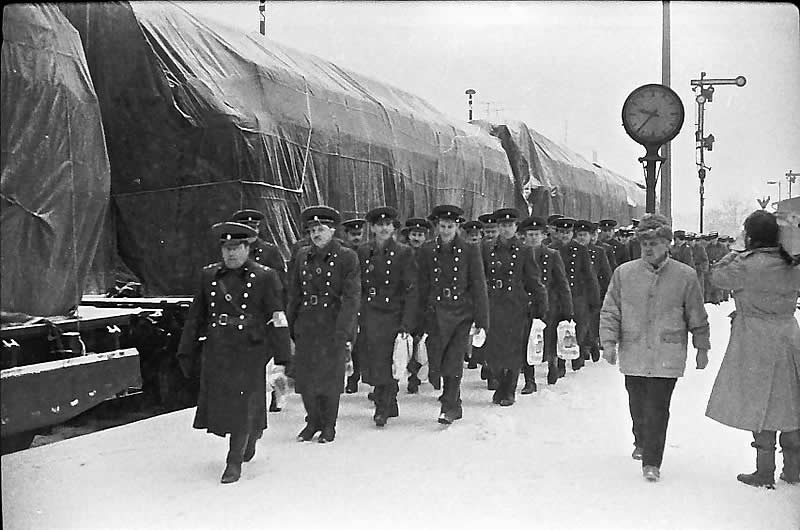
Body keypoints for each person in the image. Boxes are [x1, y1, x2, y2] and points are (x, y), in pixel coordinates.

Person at [177, 221, 291, 484]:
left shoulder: (265, 276)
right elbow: (196, 315)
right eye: (226, 247)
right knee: (226, 403)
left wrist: (283, 356)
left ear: (247, 248)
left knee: (242, 403)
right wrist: (185, 349)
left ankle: (233, 460)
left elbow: (277, 317)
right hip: (218, 348)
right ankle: (251, 433)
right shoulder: (209, 276)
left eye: (236, 247)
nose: (231, 253)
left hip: (251, 349)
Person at [600, 213, 710, 483]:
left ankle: (652, 460)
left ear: (667, 244)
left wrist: (702, 346)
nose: (649, 248)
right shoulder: (624, 274)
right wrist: (609, 343)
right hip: (635, 348)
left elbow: (696, 313)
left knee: (659, 406)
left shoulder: (685, 276)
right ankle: (641, 438)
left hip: (667, 351)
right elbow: (611, 310)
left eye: (655, 243)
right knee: (637, 402)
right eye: (644, 243)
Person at [705, 210, 800, 488]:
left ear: (750, 235)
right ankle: (793, 469)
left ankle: (764, 471)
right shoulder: (792, 265)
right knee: (791, 401)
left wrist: (736, 250)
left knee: (762, 403)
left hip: (754, 339)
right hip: (789, 336)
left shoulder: (744, 264)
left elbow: (717, 277)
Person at [287, 206, 360, 443]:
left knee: (330, 378)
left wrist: (344, 331)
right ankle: (312, 421)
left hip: (332, 322)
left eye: (321, 229)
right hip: (307, 322)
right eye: (312, 229)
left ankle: (329, 425)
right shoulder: (301, 256)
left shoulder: (346, 256)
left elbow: (351, 297)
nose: (316, 233)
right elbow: (294, 293)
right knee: (306, 377)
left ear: (332, 230)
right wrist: (290, 328)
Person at [417, 204, 489, 424]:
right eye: (442, 226)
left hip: (461, 314)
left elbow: (478, 285)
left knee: (454, 360)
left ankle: (450, 405)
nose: (446, 230)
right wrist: (417, 318)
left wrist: (482, 320)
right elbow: (422, 285)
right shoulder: (428, 250)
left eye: (450, 226)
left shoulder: (469, 250)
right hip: (436, 312)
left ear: (457, 226)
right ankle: (450, 399)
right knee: (437, 358)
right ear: (437, 227)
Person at [354, 206, 418, 427]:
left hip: (394, 313)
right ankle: (388, 401)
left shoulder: (404, 252)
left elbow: (411, 289)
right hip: (371, 313)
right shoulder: (363, 252)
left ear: (393, 228)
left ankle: (383, 404)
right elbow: (357, 285)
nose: (383, 228)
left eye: (387, 224)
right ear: (372, 228)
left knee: (390, 359)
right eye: (379, 225)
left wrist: (407, 322)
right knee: (374, 359)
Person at [481, 208, 547, 406]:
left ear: (516, 227)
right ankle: (499, 383)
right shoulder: (486, 248)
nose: (506, 229)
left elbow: (534, 281)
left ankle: (508, 390)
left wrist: (540, 308)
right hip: (493, 305)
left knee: (512, 350)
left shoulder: (524, 250)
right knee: (494, 349)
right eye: (502, 225)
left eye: (510, 225)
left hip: (515, 306)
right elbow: (479, 277)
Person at [231, 208, 288, 411]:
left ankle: (275, 394)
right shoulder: (233, 252)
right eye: (247, 228)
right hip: (241, 315)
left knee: (269, 360)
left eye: (254, 227)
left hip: (265, 315)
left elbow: (281, 283)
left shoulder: (270, 252)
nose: (252, 232)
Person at [519, 216, 571, 389]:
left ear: (543, 236)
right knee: (527, 340)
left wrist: (567, 309)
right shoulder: (518, 254)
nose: (533, 238)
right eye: (530, 234)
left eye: (536, 234)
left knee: (548, 338)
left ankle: (553, 363)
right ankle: (530, 380)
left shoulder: (552, 255)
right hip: (525, 304)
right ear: (524, 236)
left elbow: (562, 283)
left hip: (548, 305)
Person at [548, 216, 600, 374]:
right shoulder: (551, 249)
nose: (565, 235)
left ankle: (577, 352)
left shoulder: (580, 250)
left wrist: (594, 298)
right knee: (555, 329)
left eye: (568, 232)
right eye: (562, 232)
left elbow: (589, 274)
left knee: (578, 327)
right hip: (556, 296)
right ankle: (559, 362)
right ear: (556, 233)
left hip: (577, 295)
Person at [575, 220, 612, 363]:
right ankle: (583, 347)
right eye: (579, 235)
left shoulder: (599, 252)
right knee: (580, 323)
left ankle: (590, 344)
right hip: (576, 292)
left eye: (584, 235)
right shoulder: (571, 251)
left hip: (593, 292)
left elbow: (606, 274)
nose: (582, 238)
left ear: (591, 236)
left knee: (589, 322)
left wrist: (606, 294)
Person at [404, 217, 432, 394]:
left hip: (423, 304)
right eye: (414, 234)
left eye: (420, 235)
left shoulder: (429, 254)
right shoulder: (402, 253)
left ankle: (415, 374)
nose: (416, 238)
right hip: (404, 304)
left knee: (419, 341)